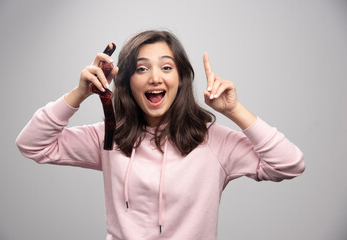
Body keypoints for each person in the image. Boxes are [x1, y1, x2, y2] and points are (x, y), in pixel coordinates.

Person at [16, 30, 305, 240]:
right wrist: (79, 93)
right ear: (128, 81)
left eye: (167, 67)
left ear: (180, 79)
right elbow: (32, 144)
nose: (155, 77)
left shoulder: (214, 141)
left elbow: (289, 164)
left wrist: (235, 111)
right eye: (142, 69)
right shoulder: (109, 138)